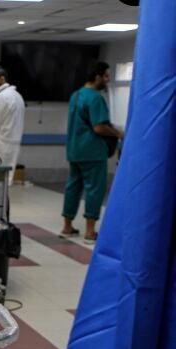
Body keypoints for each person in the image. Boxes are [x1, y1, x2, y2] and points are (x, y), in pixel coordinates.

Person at [61, 61, 124, 244]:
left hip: (75, 150)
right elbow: (99, 127)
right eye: (105, 76)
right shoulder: (96, 98)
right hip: (92, 152)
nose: (107, 79)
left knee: (73, 187)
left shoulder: (76, 95)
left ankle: (67, 226)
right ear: (97, 77)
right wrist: (119, 133)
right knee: (94, 190)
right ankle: (90, 232)